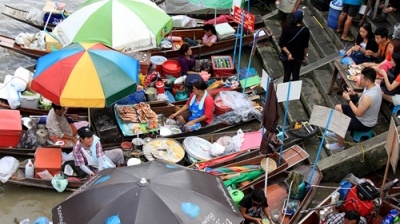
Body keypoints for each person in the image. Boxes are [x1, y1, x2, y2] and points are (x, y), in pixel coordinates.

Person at [325, 67, 382, 151]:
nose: (360, 80)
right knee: (337, 107)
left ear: (368, 81)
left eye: (362, 79)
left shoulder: (368, 97)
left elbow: (358, 113)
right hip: (362, 114)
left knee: (337, 123)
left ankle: (340, 145)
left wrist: (348, 99)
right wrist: (354, 93)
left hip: (363, 123)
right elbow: (363, 95)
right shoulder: (375, 85)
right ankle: (337, 134)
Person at [279, 9, 310, 82]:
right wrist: (305, 56)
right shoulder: (305, 30)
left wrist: (288, 53)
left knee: (287, 74)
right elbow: (305, 45)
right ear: (301, 18)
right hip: (298, 56)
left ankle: (284, 90)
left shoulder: (287, 28)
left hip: (286, 56)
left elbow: (281, 44)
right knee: (296, 75)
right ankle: (294, 91)